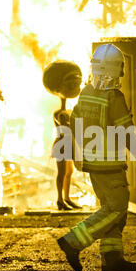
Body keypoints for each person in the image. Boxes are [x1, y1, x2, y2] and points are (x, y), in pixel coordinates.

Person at [56, 43, 136, 271]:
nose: (123, 74)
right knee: (116, 209)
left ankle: (112, 259)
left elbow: (74, 123)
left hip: (94, 166)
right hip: (111, 165)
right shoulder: (114, 97)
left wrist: (80, 153)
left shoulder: (86, 93)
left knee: (113, 211)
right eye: (120, 69)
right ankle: (73, 242)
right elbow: (127, 133)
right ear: (115, 70)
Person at [43, 61, 83, 210]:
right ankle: (60, 199)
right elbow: (66, 124)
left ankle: (66, 197)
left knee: (69, 172)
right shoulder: (59, 114)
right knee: (61, 173)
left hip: (69, 144)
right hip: (62, 145)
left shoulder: (65, 110)